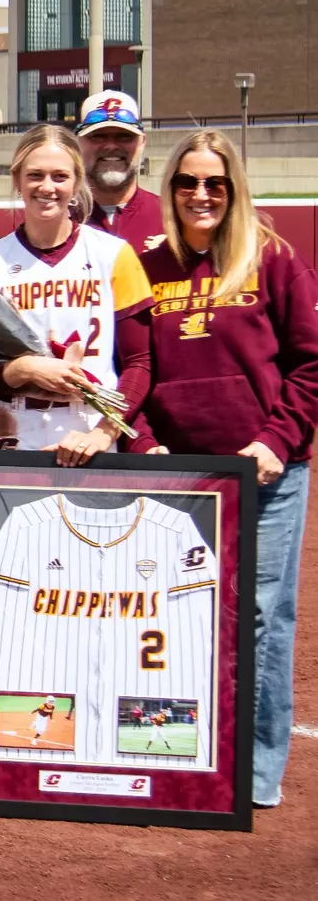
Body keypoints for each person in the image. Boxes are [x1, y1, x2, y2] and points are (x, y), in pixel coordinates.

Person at [129, 130, 318, 809]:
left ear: (234, 190)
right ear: (170, 190)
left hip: (266, 475)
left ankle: (256, 771)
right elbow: (135, 370)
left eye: (215, 183)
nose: (200, 196)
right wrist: (144, 442)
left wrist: (274, 440)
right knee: (173, 614)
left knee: (262, 617)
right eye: (187, 183)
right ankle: (178, 753)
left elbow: (309, 363)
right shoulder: (148, 268)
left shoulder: (272, 261)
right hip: (182, 480)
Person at [0, 125, 153, 464]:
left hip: (89, 427)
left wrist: (105, 431)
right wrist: (22, 370)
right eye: (35, 175)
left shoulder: (113, 254)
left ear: (77, 182)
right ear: (17, 179)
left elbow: (139, 362)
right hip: (12, 426)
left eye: (59, 176)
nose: (47, 187)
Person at [76, 90, 166, 253]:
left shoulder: (171, 217)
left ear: (142, 143)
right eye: (98, 136)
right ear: (79, 143)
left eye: (124, 136)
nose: (111, 146)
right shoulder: (59, 218)